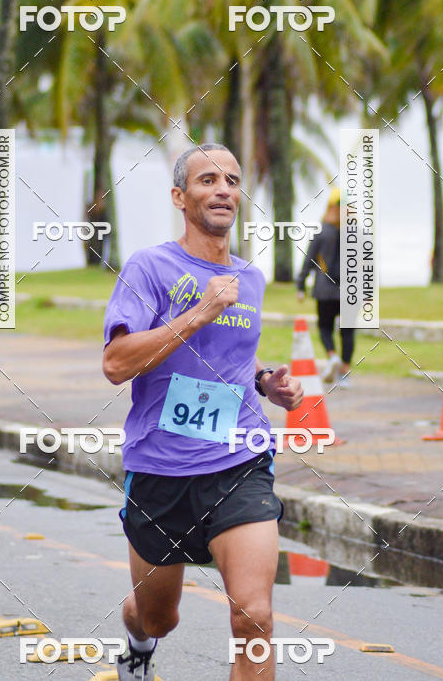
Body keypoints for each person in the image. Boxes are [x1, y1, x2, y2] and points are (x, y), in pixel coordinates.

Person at [102, 143, 303, 681]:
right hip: (161, 469)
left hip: (239, 460)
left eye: (232, 181)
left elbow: (229, 355)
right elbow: (116, 364)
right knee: (159, 617)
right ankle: (137, 642)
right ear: (179, 196)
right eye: (207, 180)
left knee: (254, 616)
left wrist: (264, 381)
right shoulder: (149, 267)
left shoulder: (250, 277)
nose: (223, 190)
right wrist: (201, 311)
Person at [296, 188, 354, 386]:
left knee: (324, 327)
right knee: (348, 332)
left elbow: (309, 260)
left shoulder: (321, 232)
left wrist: (301, 285)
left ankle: (332, 355)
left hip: (325, 290)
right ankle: (344, 374)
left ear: (329, 207)